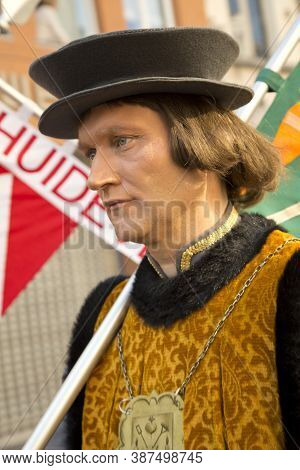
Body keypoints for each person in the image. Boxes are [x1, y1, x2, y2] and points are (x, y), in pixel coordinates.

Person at [29, 27, 300, 450]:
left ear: (200, 144)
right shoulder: (101, 313)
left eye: (122, 141)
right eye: (91, 152)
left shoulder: (289, 281)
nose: (95, 179)